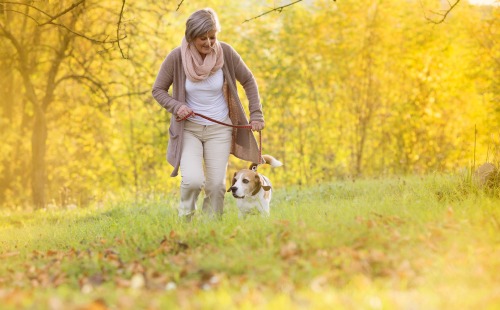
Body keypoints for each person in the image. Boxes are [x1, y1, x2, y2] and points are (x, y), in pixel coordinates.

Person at [152, 8, 265, 221]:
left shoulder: (226, 53)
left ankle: (210, 227)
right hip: (189, 130)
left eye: (212, 37)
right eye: (202, 38)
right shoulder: (177, 58)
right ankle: (186, 221)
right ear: (191, 37)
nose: (209, 43)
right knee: (193, 180)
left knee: (216, 186)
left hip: (219, 128)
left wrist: (256, 114)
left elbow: (249, 80)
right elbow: (157, 90)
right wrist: (176, 106)